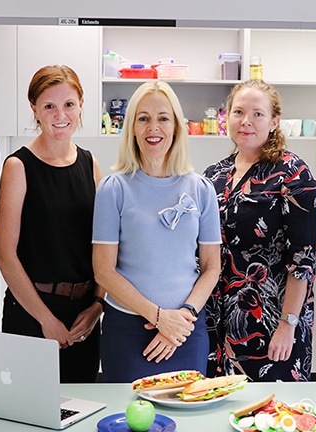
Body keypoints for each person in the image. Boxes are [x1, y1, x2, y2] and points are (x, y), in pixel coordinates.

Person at [92, 81, 222, 382]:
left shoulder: (201, 189)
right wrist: (160, 317)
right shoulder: (114, 189)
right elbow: (103, 271)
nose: (154, 127)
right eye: (143, 118)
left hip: (186, 331)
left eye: (163, 118)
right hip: (127, 332)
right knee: (127, 422)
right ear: (132, 128)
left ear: (176, 126)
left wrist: (181, 319)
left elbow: (212, 267)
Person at [203, 80, 316, 382]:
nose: (246, 121)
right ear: (226, 117)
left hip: (270, 323)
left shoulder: (293, 174)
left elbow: (303, 261)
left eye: (257, 114)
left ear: (274, 122)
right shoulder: (213, 176)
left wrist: (288, 324)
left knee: (271, 417)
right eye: (238, 112)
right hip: (217, 324)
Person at [0, 65, 104, 383]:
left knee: (82, 410)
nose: (61, 114)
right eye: (49, 106)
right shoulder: (18, 166)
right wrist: (46, 319)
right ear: (35, 110)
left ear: (81, 104)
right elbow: (5, 255)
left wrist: (97, 305)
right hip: (32, 313)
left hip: (83, 316)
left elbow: (102, 247)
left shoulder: (90, 163)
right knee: (28, 413)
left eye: (69, 104)